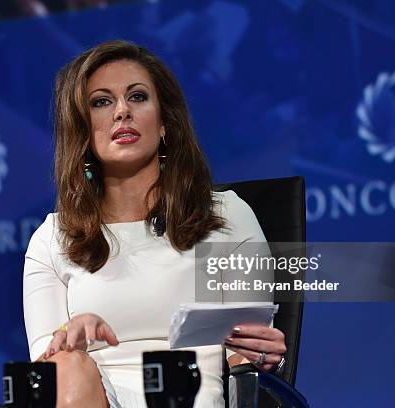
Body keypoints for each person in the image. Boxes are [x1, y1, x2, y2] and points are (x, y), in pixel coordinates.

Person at [23, 39, 286, 408]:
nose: (121, 112)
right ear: (82, 131)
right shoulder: (51, 240)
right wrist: (69, 338)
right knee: (64, 366)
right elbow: (44, 380)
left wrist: (262, 355)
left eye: (137, 97)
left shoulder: (226, 217)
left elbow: (246, 362)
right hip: (89, 398)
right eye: (101, 101)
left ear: (163, 123)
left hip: (188, 400)